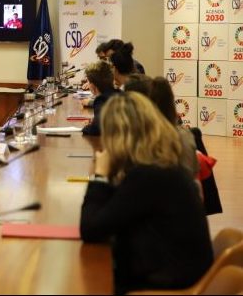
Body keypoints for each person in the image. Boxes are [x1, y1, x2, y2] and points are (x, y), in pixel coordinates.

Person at [80, 92, 213, 295]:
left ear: (119, 137)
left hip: (164, 287)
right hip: (174, 275)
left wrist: (100, 176)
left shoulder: (149, 176)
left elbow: (91, 229)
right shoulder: (161, 166)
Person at [81, 61, 119, 136]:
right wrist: (95, 121)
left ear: (93, 85)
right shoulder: (118, 93)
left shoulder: (101, 100)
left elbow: (97, 129)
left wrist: (86, 127)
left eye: (88, 82)